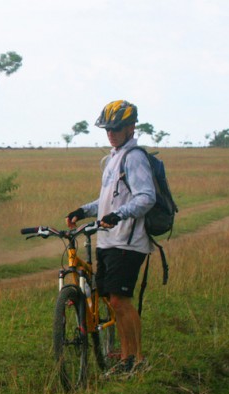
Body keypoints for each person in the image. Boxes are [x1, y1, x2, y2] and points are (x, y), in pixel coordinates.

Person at [66, 99, 156, 376]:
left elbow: (146, 197)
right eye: (107, 129)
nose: (111, 133)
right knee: (113, 301)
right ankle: (126, 357)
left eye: (116, 128)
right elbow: (107, 200)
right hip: (108, 240)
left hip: (127, 241)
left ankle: (137, 360)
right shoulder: (114, 157)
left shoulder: (134, 157)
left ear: (131, 127)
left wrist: (119, 215)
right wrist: (83, 211)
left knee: (119, 302)